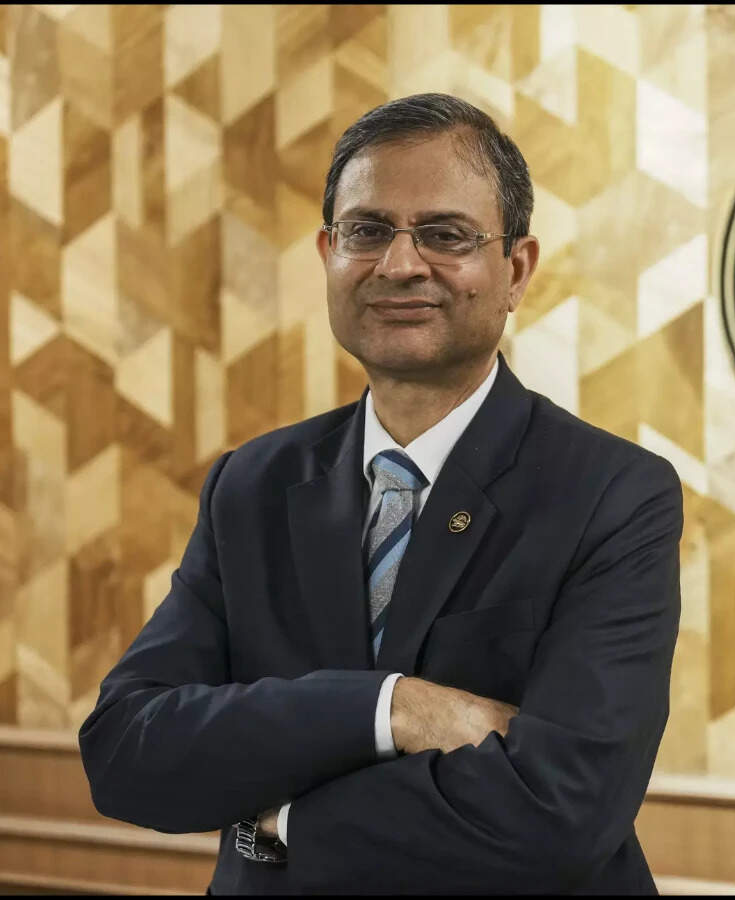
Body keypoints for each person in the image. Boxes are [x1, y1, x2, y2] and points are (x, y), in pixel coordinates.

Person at [78, 93, 683, 894]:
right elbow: (125, 751)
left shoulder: (615, 494)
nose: (400, 264)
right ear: (328, 253)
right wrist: (389, 708)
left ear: (516, 270)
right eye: (366, 231)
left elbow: (564, 810)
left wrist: (280, 821)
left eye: (445, 235)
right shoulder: (250, 486)